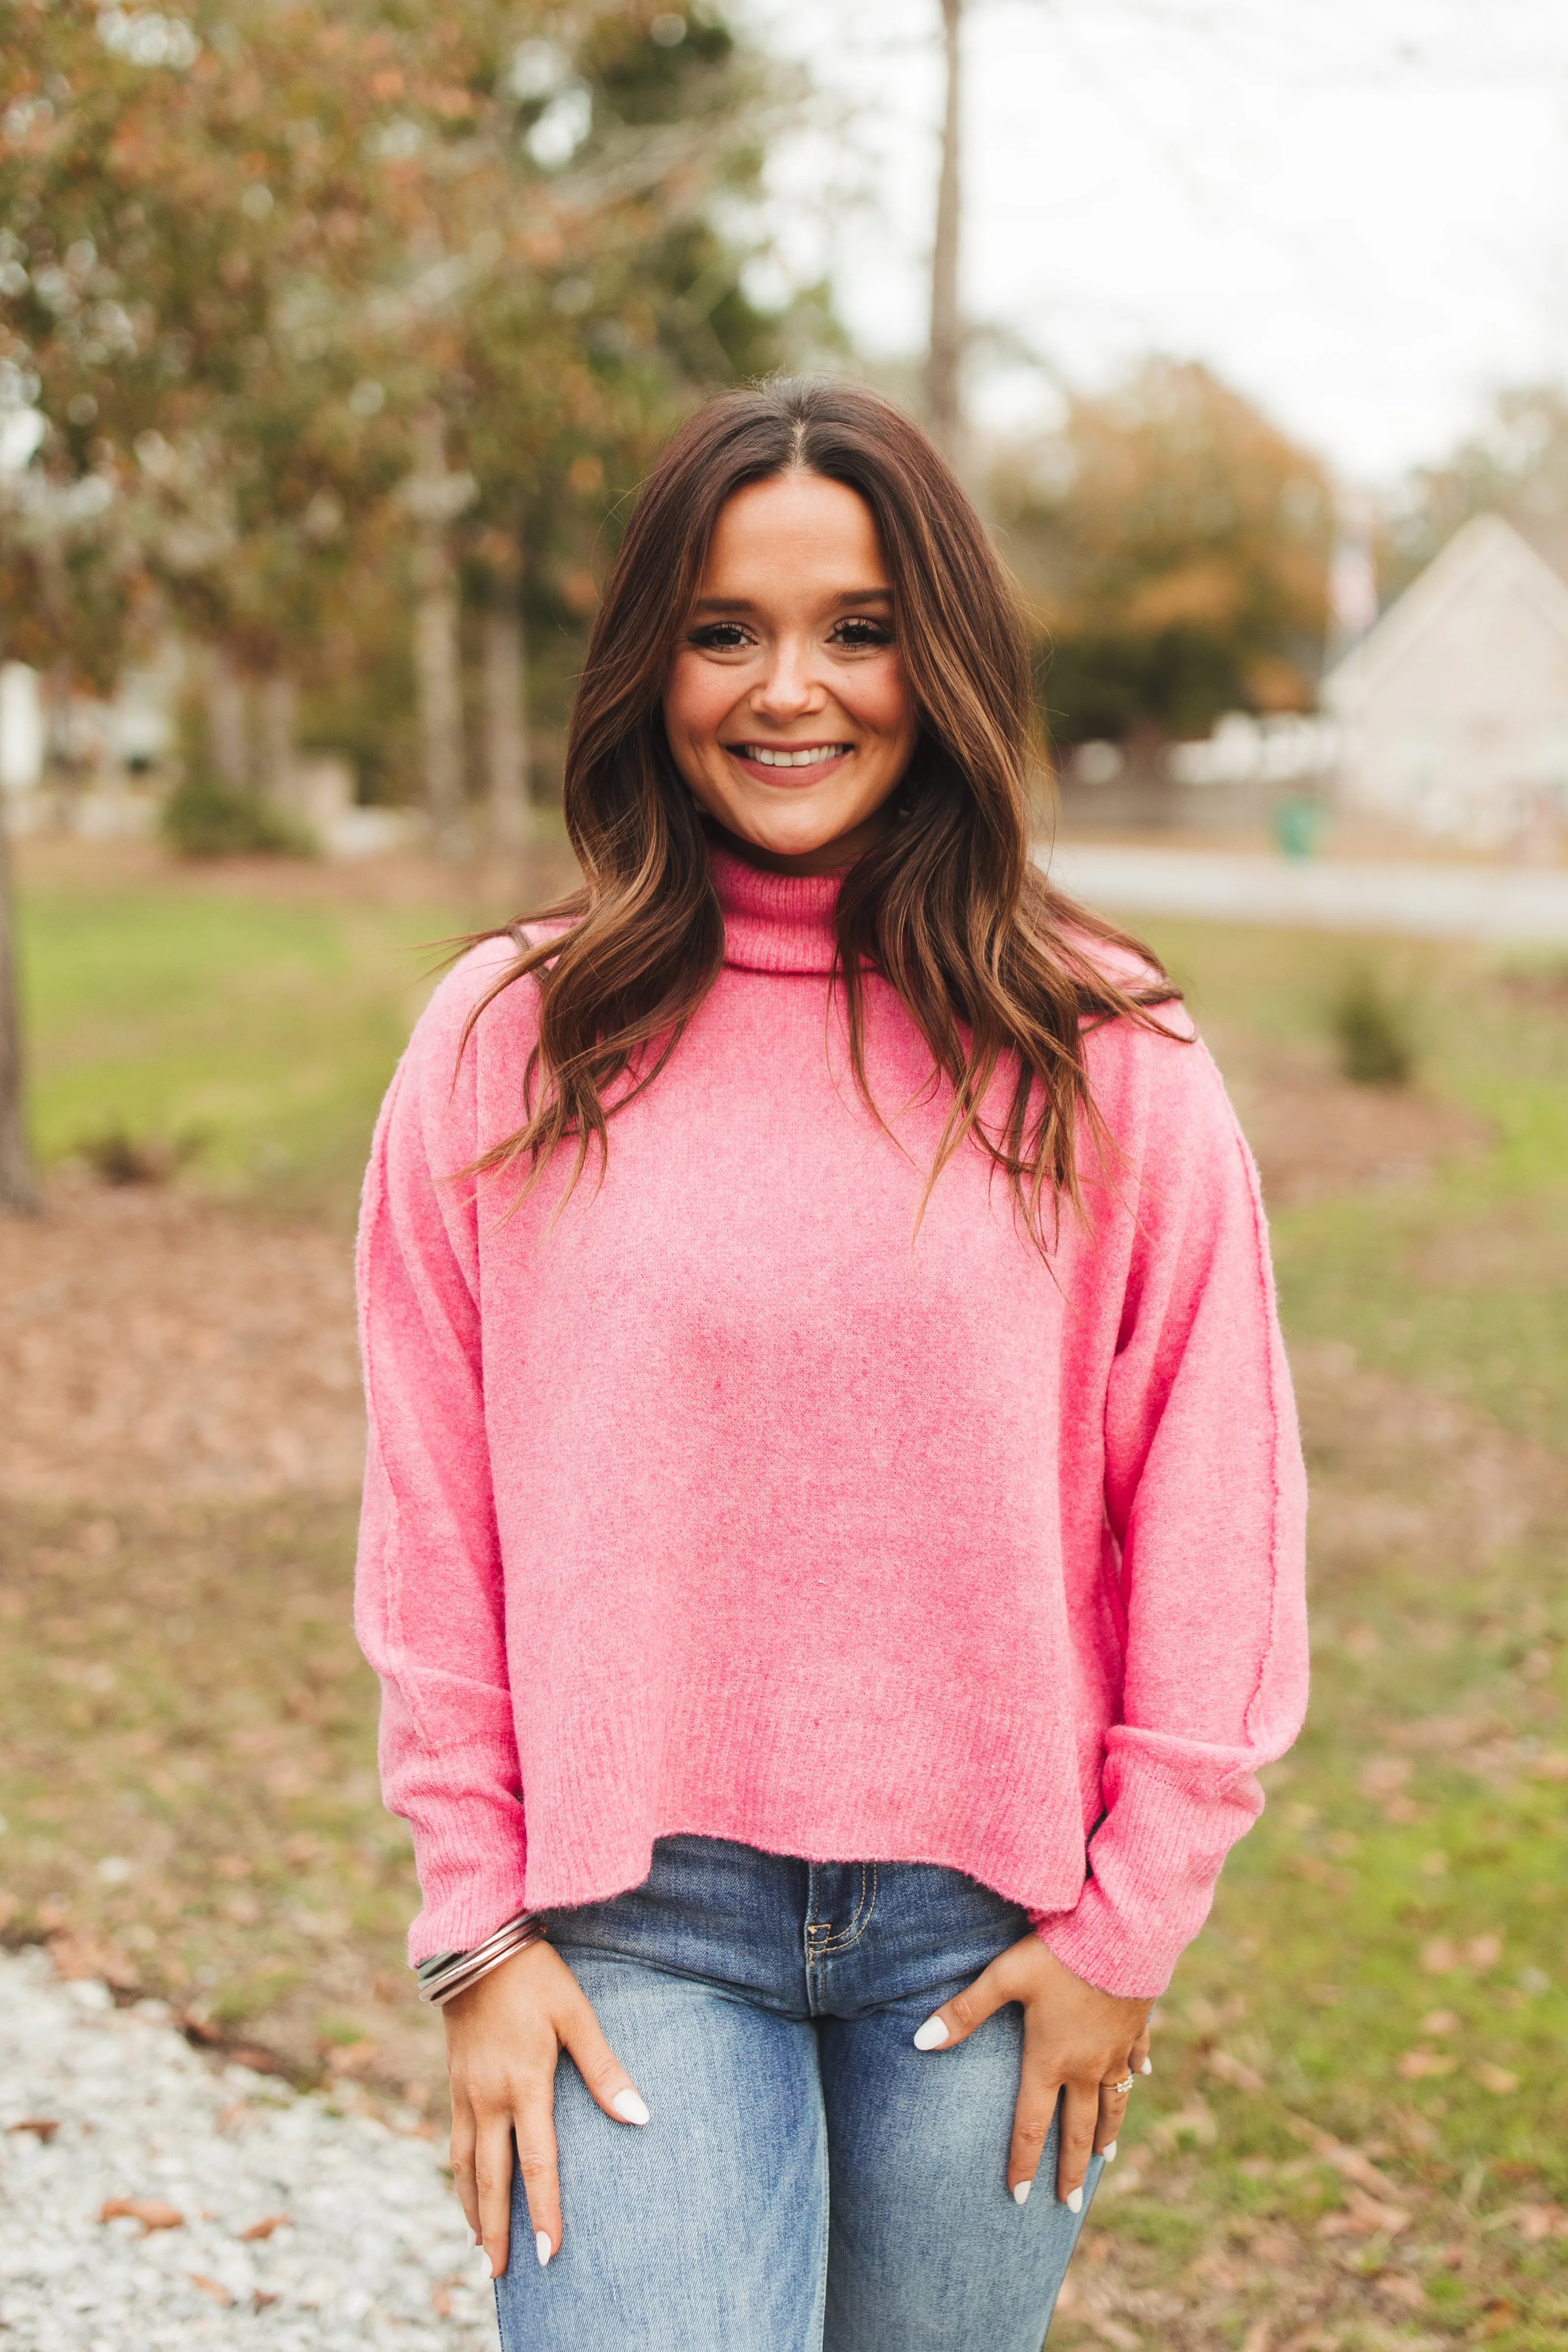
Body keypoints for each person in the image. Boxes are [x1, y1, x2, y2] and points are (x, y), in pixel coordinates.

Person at [354, 378, 1308, 2352]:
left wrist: (1136, 1917)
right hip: (626, 1922)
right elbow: (435, 1511)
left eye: (858, 626)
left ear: (939, 654)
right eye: (726, 629)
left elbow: (1217, 1500)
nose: (791, 690)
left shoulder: (1104, 1048)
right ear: (652, 663)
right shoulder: (505, 1043)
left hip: (996, 1928)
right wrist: (474, 1927)